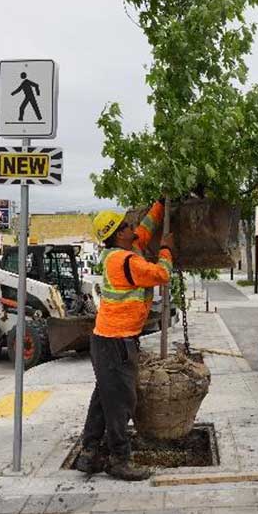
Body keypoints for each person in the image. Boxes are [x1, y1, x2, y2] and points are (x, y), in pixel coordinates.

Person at [76, 201, 173, 481]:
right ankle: (120, 460)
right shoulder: (126, 261)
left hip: (105, 340)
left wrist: (160, 205)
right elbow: (162, 274)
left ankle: (89, 453)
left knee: (103, 399)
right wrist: (166, 248)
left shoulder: (115, 253)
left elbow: (144, 230)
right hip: (117, 342)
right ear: (119, 234)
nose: (134, 227)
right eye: (128, 225)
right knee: (121, 402)